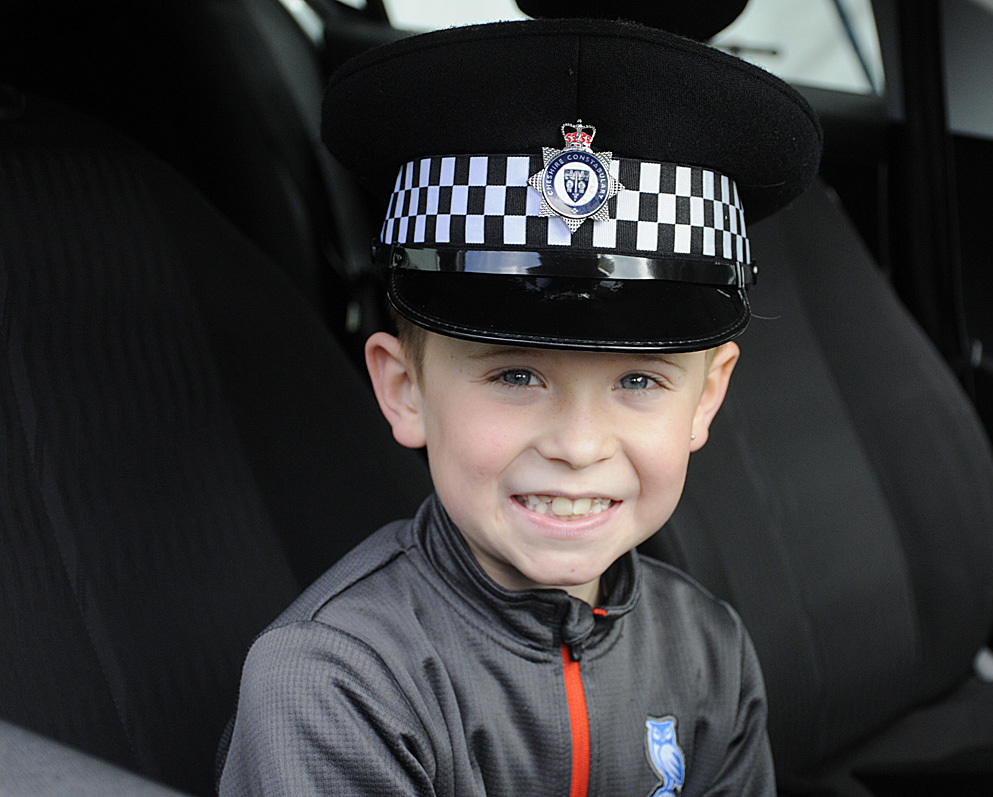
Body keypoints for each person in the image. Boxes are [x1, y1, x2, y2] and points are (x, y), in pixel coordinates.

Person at [217, 15, 820, 796]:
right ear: (405, 391)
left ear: (707, 398)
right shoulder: (333, 684)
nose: (578, 444)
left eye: (638, 381)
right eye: (515, 376)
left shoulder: (709, 650)